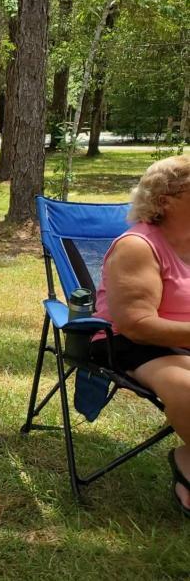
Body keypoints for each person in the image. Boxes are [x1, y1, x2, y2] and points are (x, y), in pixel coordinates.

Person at [91, 154, 190, 518]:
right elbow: (136, 324)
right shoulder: (137, 246)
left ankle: (187, 459)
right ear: (165, 200)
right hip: (132, 344)